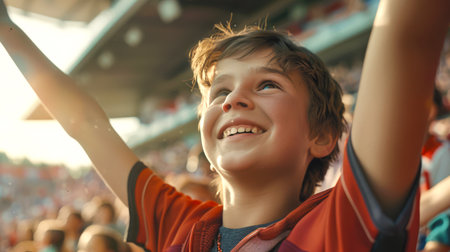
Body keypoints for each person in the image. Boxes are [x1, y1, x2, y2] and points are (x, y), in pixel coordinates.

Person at [1, 0, 448, 251]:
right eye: (219, 92)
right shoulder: (179, 225)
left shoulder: (344, 223)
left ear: (322, 136)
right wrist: (7, 29)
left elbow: (407, 35)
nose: (234, 99)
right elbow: (83, 121)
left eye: (268, 84)